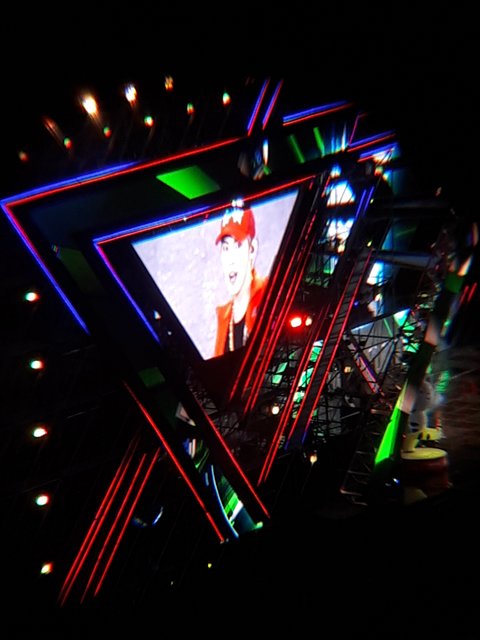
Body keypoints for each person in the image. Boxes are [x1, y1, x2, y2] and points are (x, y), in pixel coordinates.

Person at [214, 206, 268, 357]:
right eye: (226, 248)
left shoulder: (267, 296)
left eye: (237, 245)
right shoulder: (224, 317)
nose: (230, 259)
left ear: (252, 250)